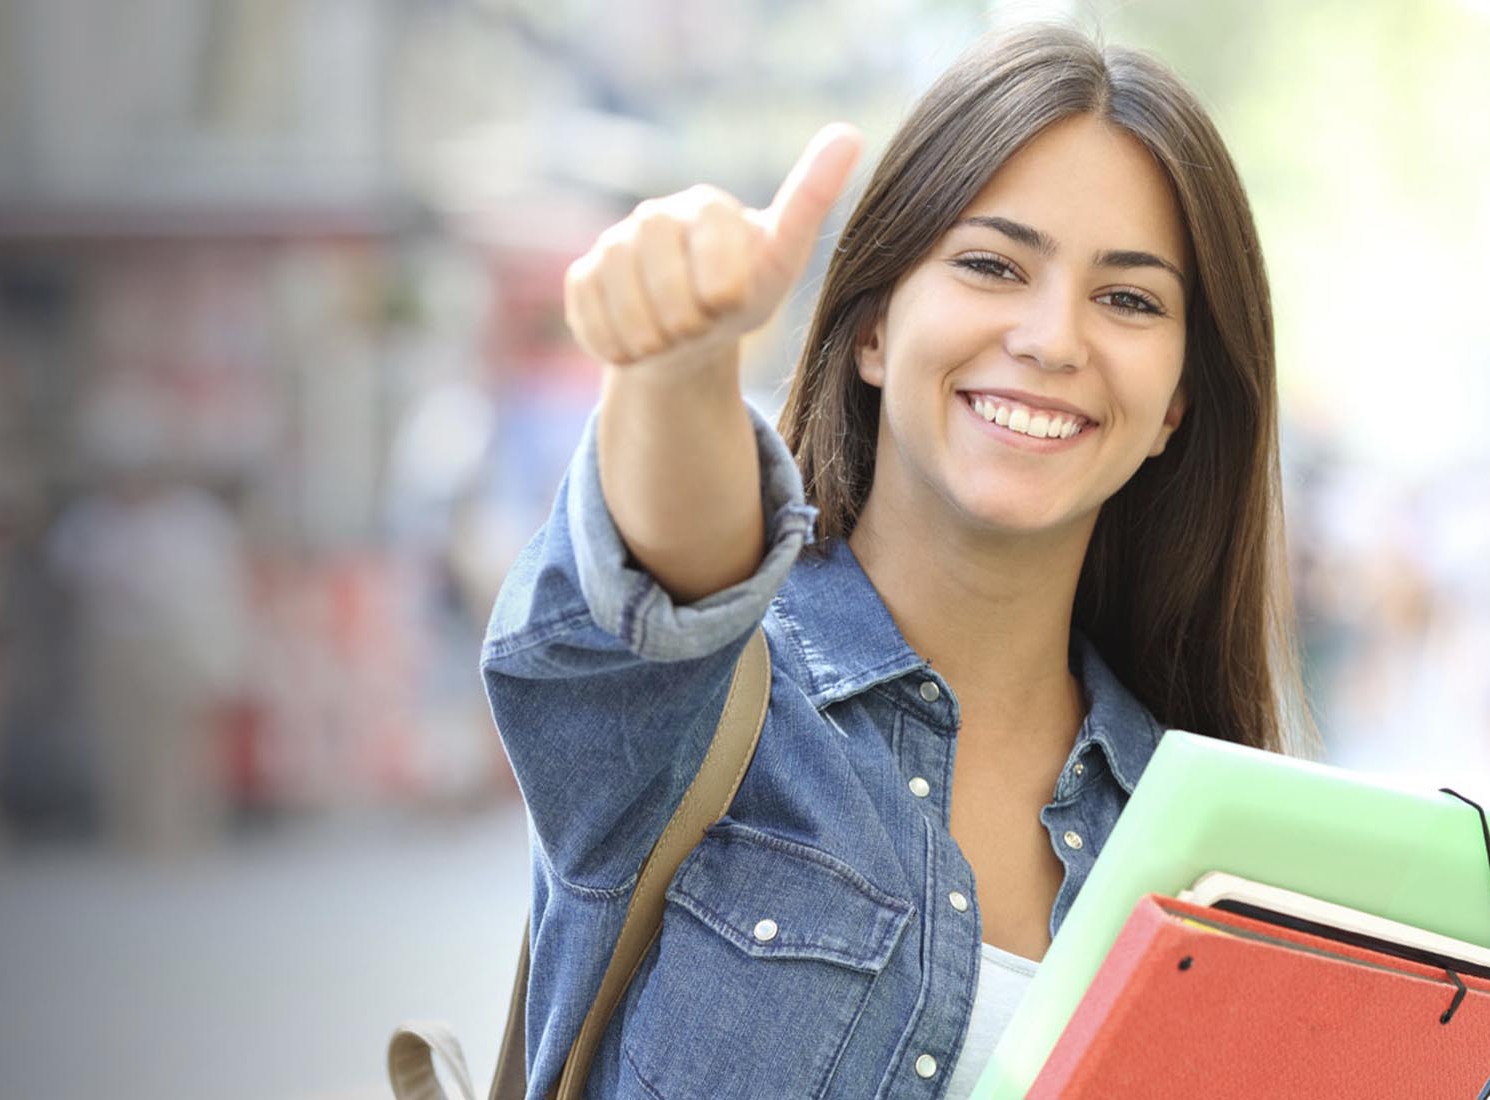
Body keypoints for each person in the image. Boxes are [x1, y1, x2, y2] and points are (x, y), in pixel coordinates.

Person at [481, 22, 1312, 1099]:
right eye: (990, 264)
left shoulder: (1203, 838)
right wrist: (680, 365)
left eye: (1128, 299)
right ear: (873, 328)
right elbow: (667, 578)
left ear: (1177, 404)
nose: (1054, 338)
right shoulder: (704, 707)